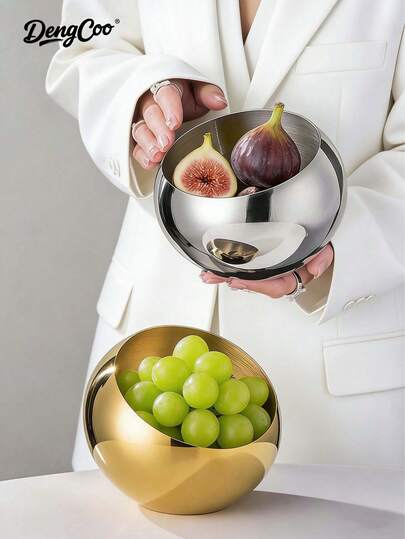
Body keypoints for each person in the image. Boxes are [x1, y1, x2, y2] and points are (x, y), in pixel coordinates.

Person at [47, 0, 405, 473]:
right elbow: (85, 48)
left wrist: (340, 247)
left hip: (334, 389)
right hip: (151, 353)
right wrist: (138, 96)